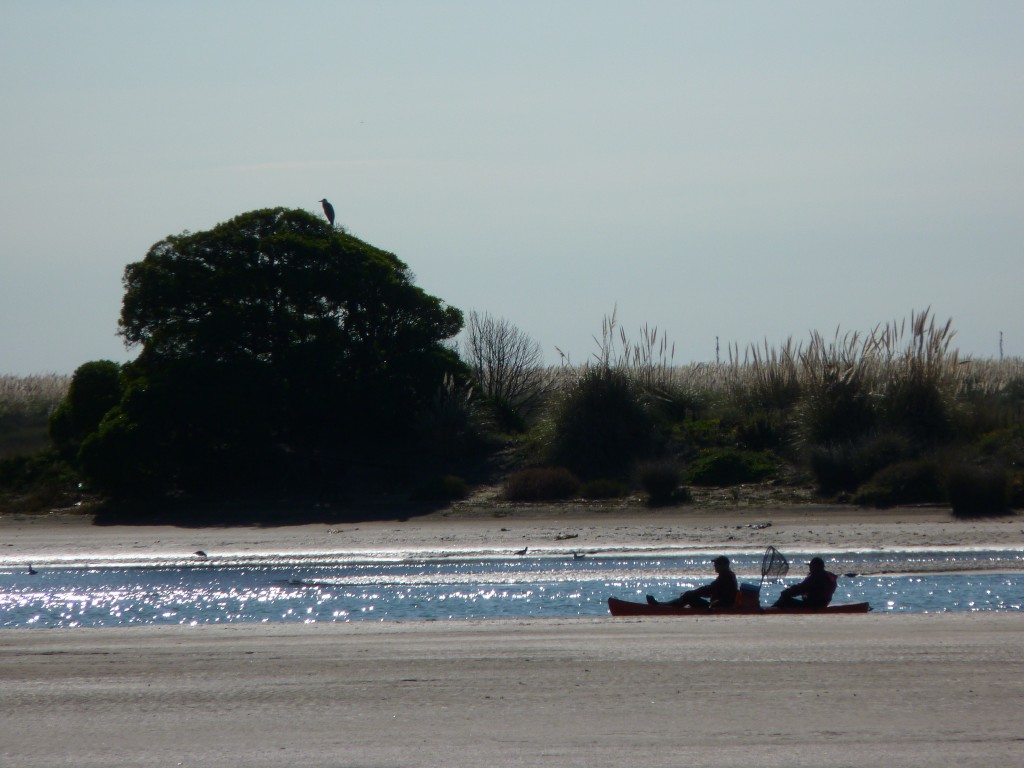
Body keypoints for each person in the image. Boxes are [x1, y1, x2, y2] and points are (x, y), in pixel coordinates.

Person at [647, 555, 738, 609]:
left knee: (688, 596)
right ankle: (664, 605)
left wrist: (693, 593)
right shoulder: (727, 576)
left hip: (719, 607)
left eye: (717, 564)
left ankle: (663, 607)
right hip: (717, 605)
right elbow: (710, 590)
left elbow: (709, 590)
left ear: (725, 565)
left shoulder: (726, 577)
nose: (715, 566)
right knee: (689, 595)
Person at [772, 557, 837, 609]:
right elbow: (806, 588)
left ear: (815, 567)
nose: (810, 568)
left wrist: (785, 592)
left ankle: (769, 611)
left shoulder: (815, 577)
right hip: (823, 605)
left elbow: (799, 589)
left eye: (811, 566)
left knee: (784, 599)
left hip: (812, 606)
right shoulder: (829, 576)